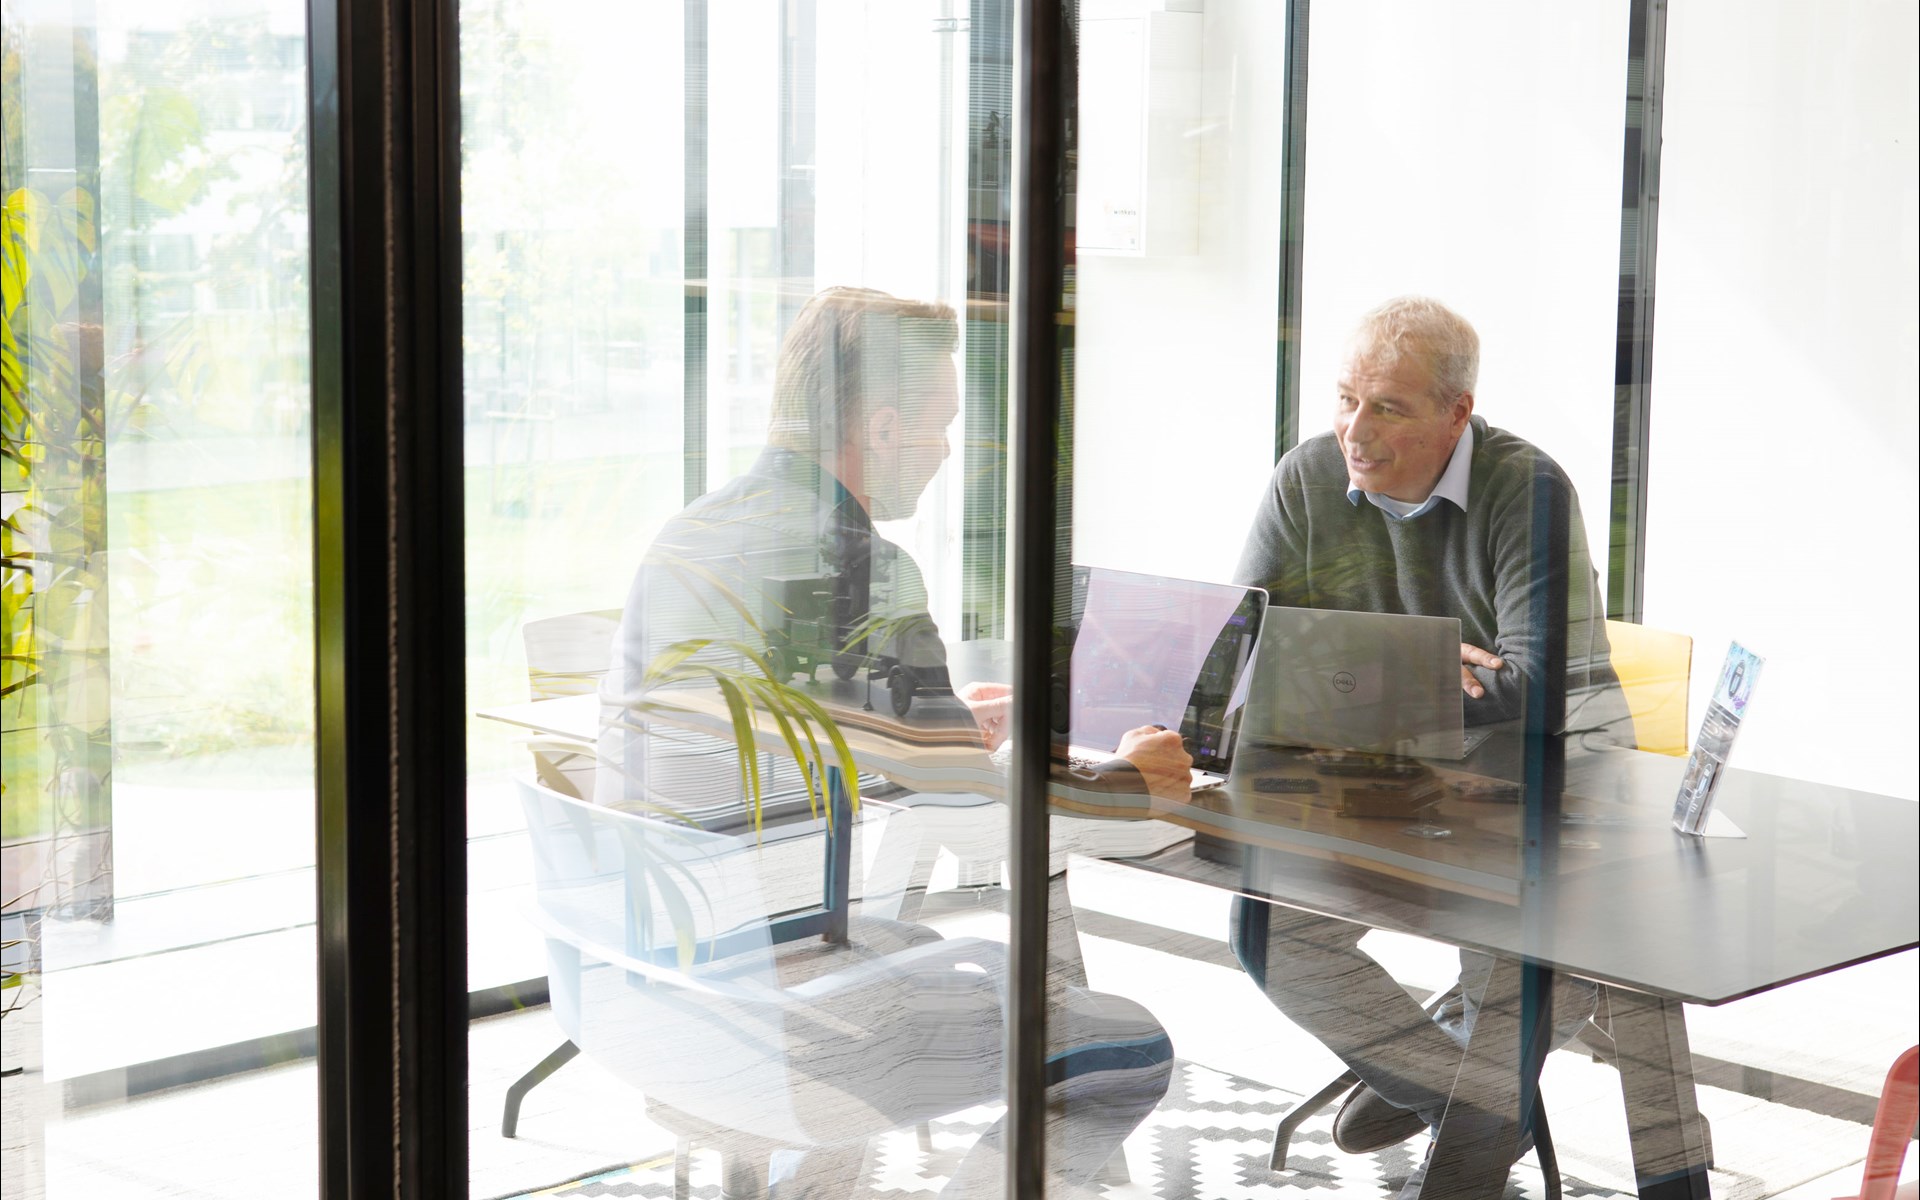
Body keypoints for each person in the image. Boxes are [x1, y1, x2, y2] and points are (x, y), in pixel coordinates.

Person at [598, 286, 1186, 1197]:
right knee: (1127, 1047)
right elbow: (978, 830)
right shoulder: (858, 562)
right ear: (879, 428)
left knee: (912, 950)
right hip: (772, 1006)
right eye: (939, 425)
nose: (949, 450)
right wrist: (1133, 782)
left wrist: (917, 721)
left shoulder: (696, 532)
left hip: (656, 988)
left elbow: (774, 722)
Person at [1228, 296, 1629, 1181]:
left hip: (1549, 773)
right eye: (1346, 400)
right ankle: (1464, 1095)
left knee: (1529, 966)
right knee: (1270, 932)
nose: (1355, 431)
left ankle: (1455, 1118)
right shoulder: (1306, 479)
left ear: (1458, 413)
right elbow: (1244, 654)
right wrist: (1416, 667)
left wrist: (1339, 670)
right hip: (1392, 772)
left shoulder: (1526, 489)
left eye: (1387, 407)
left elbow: (1534, 687)